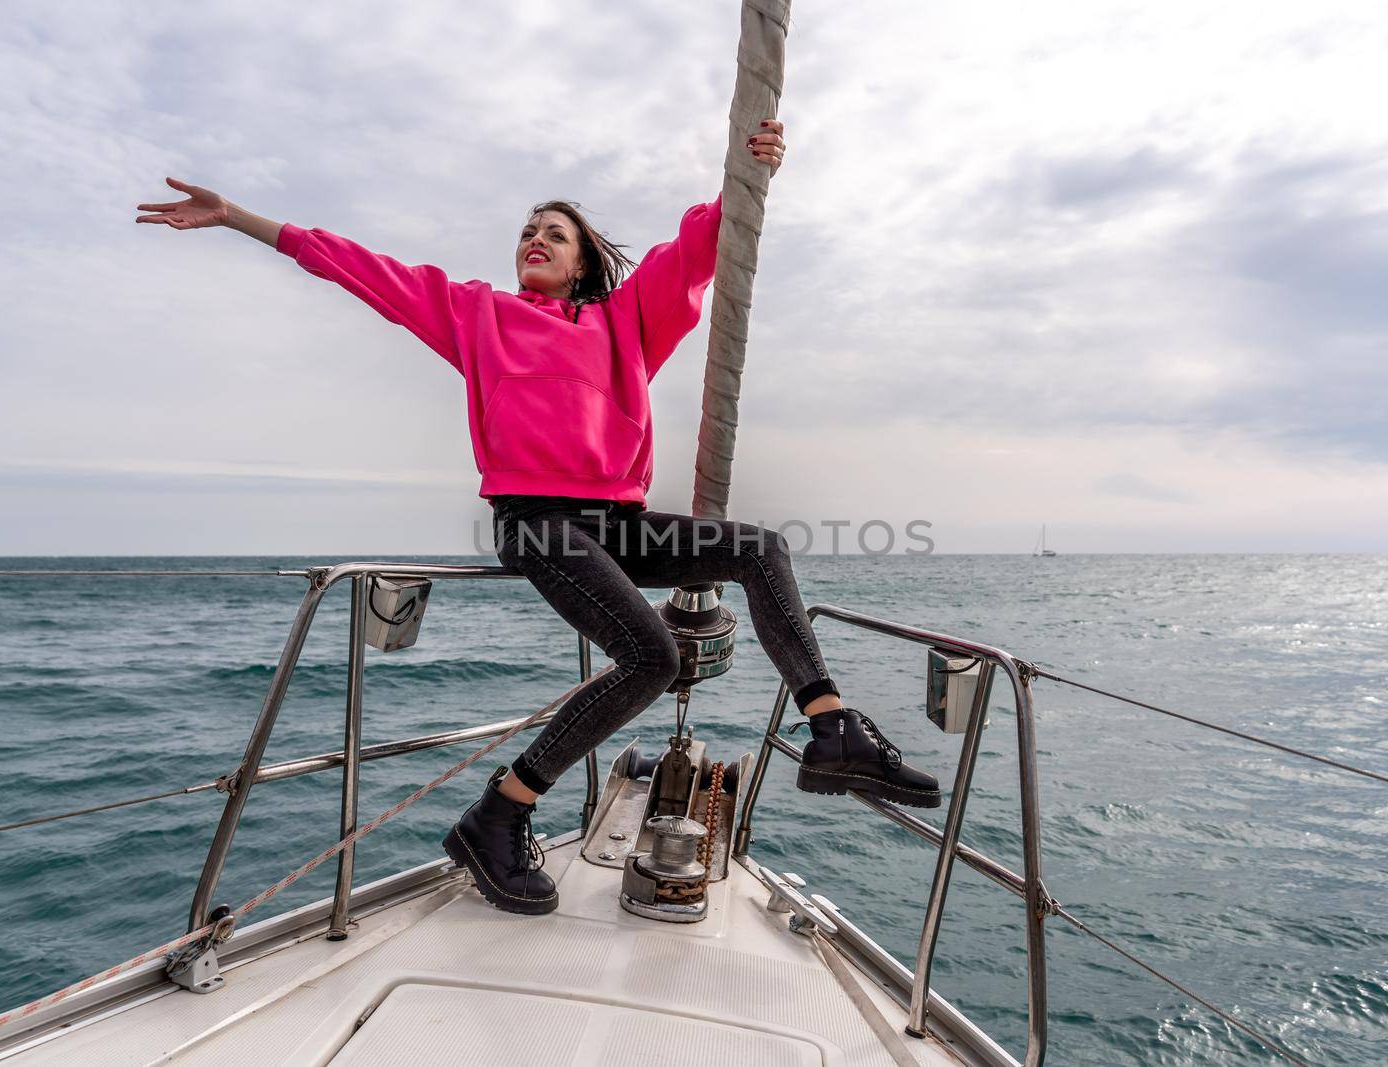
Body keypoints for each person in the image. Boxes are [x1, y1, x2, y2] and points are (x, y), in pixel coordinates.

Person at [135, 118, 939, 916]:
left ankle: (832, 730)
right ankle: (500, 812)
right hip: (537, 521)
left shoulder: (625, 322)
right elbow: (359, 268)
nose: (536, 239)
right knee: (651, 658)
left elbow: (697, 249)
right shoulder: (478, 314)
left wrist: (747, 172)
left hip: (617, 520)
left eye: (555, 233)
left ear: (584, 259)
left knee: (759, 548)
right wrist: (239, 217)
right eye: (528, 230)